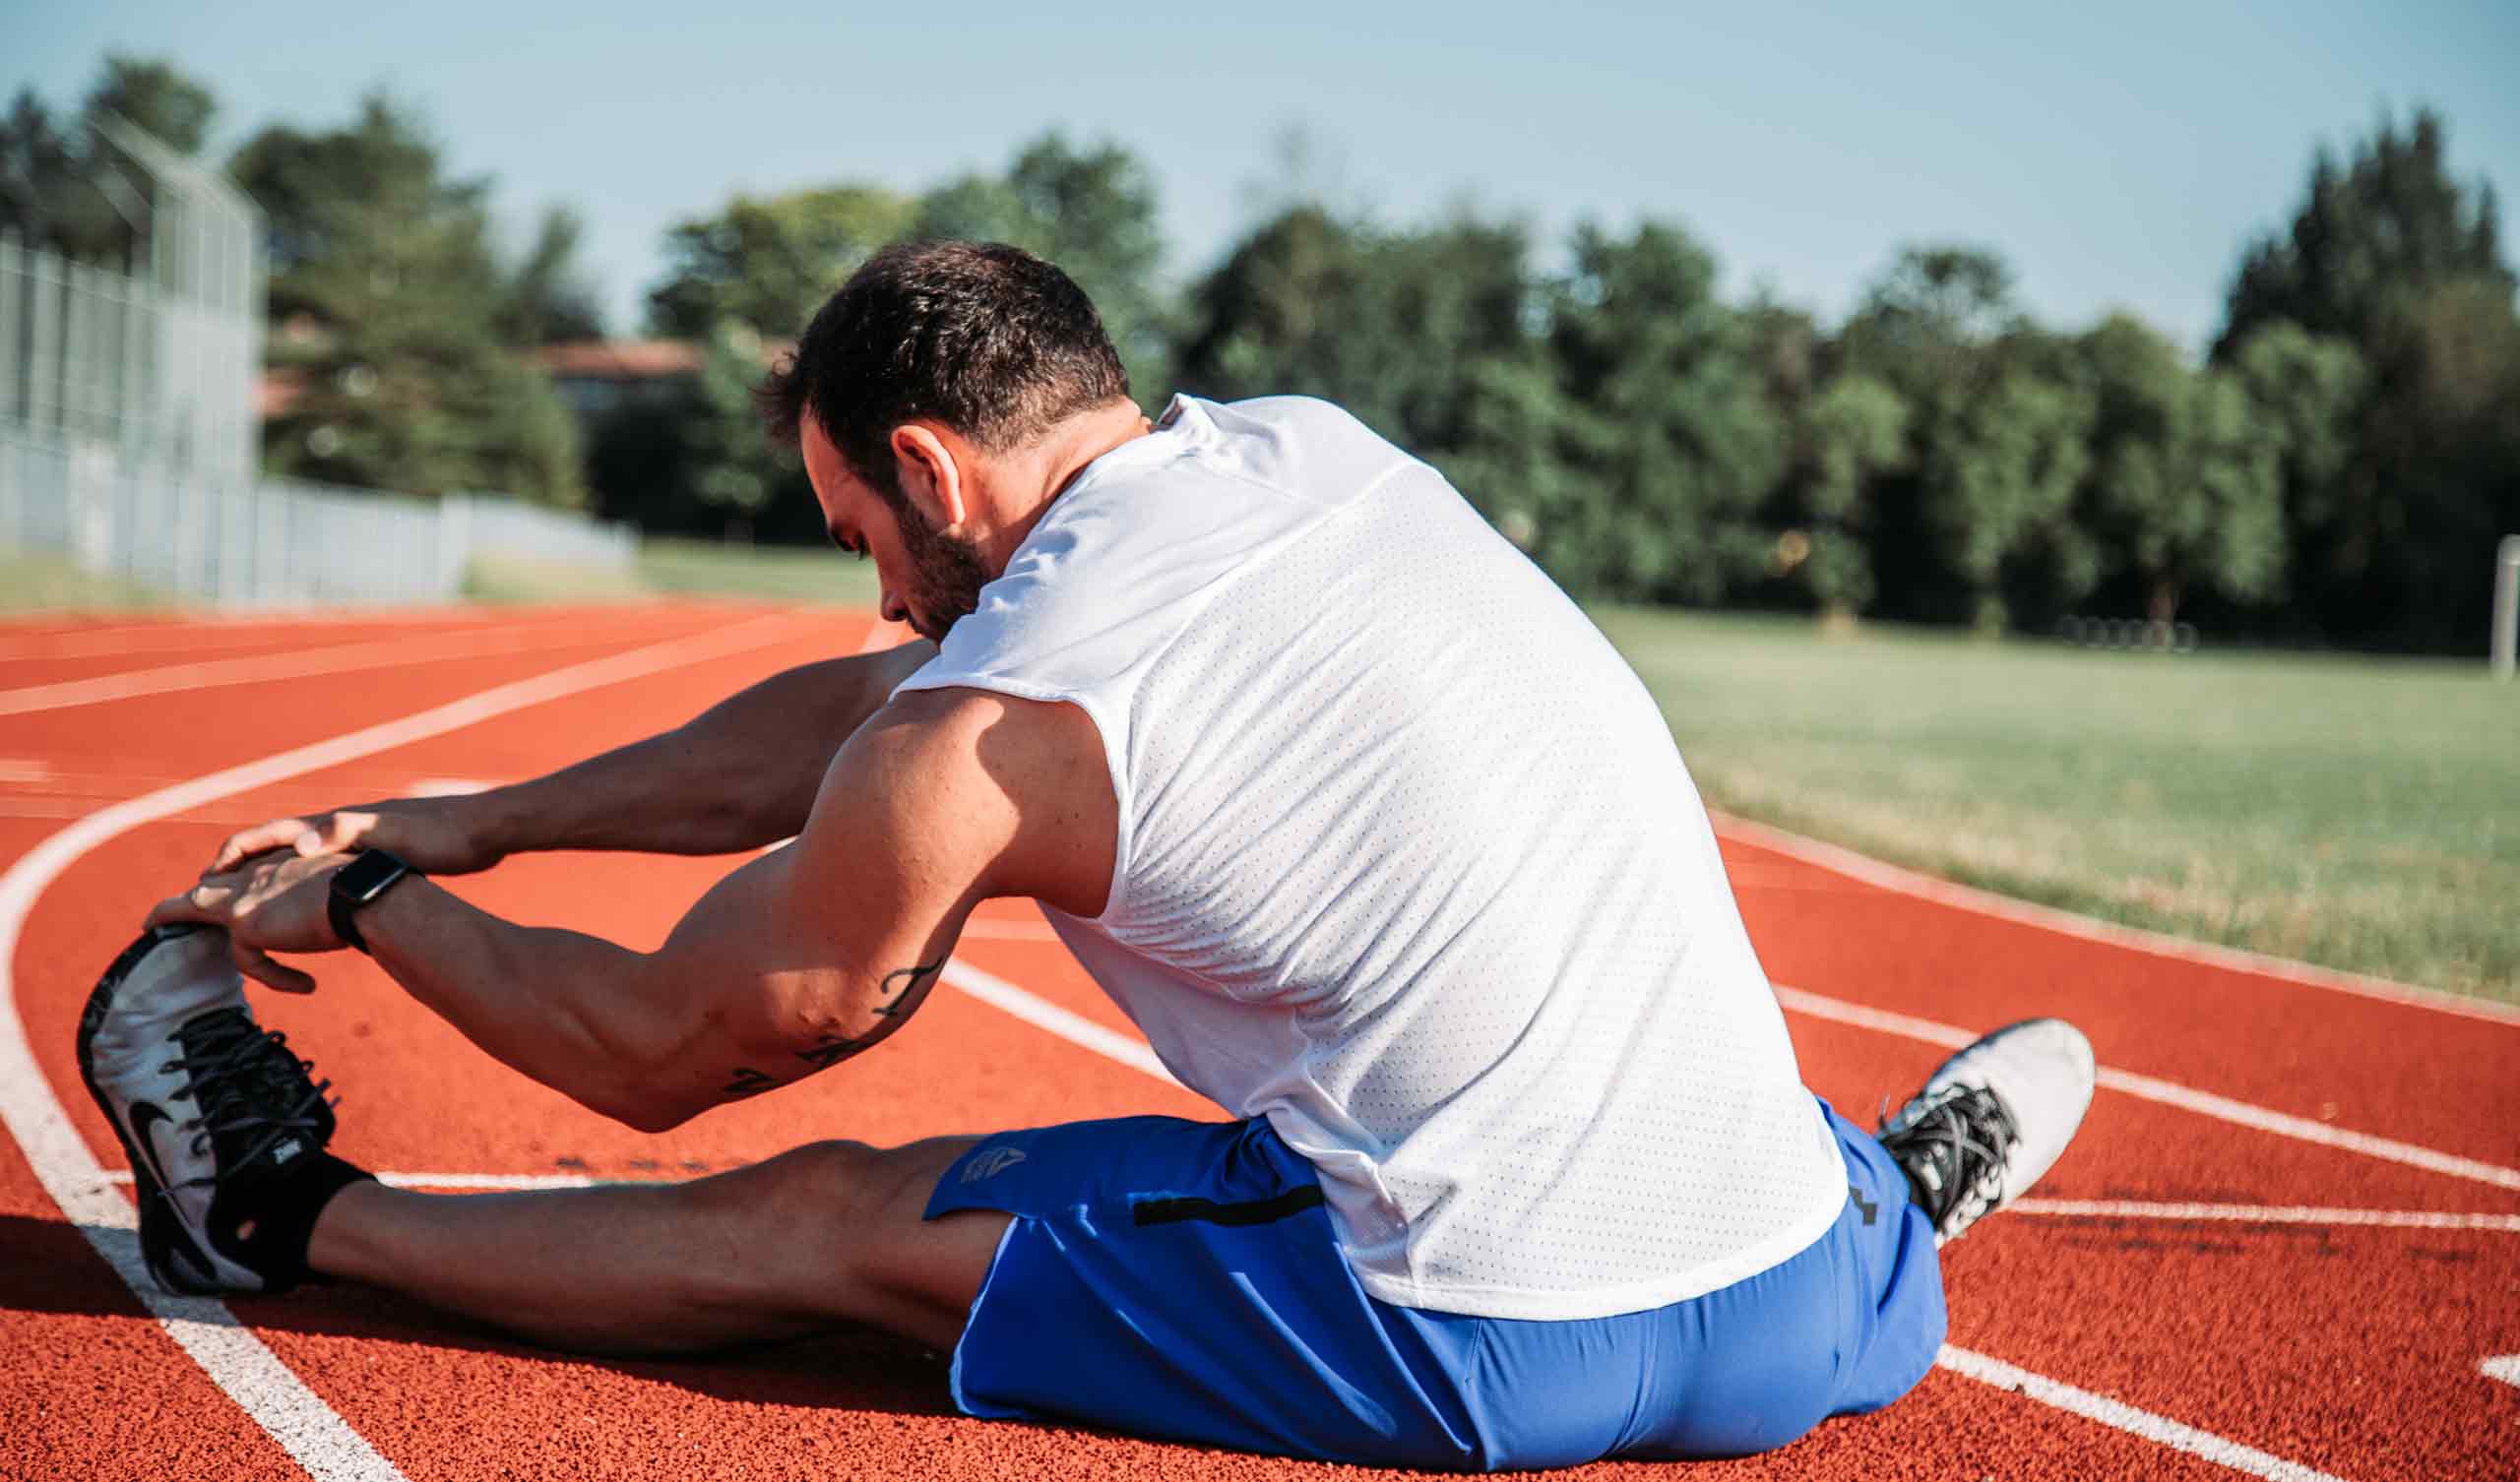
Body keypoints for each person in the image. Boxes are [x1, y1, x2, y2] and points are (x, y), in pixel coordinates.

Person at [80, 241, 2095, 1470]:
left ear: (935, 474)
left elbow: (660, 1047)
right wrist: (481, 819)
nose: (868, 593)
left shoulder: (983, 728)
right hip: (1787, 1313)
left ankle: (272, 1222)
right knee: (1647, 1047)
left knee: (822, 1224)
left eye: (858, 535)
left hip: (1474, 1333)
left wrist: (368, 897)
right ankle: (1891, 1201)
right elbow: (872, 715)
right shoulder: (1307, 453)